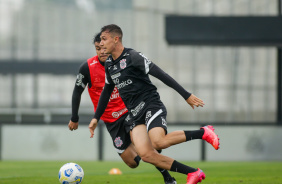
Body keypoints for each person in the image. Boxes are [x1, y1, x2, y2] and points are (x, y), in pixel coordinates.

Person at [89, 24, 220, 184]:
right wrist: (96, 118)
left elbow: (162, 75)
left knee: (159, 141)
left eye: (104, 39)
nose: (101, 44)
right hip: (135, 114)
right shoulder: (109, 64)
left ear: (116, 39)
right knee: (146, 155)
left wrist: (186, 95)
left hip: (150, 104)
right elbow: (106, 92)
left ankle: (204, 132)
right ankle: (193, 172)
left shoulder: (133, 56)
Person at [68, 33, 178, 184]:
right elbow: (77, 91)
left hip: (128, 112)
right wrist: (74, 117)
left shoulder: (121, 62)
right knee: (132, 162)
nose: (101, 51)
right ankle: (150, 152)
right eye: (97, 49)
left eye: (103, 47)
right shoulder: (87, 68)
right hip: (110, 121)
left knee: (142, 149)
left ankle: (167, 176)